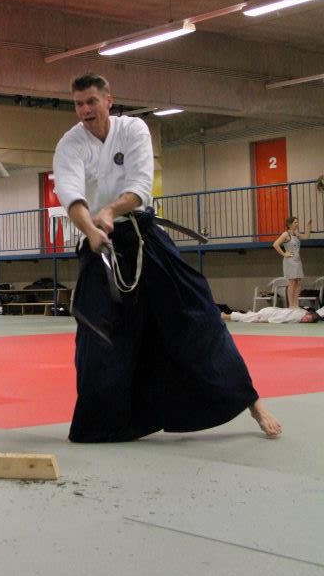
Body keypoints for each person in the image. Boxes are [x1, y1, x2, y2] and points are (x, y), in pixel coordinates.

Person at [52, 72, 282, 442]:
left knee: (197, 314)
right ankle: (105, 423)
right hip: (99, 242)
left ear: (108, 100)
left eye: (91, 101)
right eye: (78, 104)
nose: (85, 110)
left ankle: (250, 401)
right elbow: (71, 195)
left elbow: (140, 187)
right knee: (97, 332)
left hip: (143, 236)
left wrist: (110, 211)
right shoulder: (70, 143)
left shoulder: (133, 130)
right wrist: (91, 230)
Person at [273, 215, 312, 309]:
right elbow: (275, 244)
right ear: (289, 224)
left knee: (298, 282)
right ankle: (291, 305)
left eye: (297, 222)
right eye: (295, 222)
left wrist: (308, 226)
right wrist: (284, 254)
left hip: (297, 260)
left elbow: (306, 236)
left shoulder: (296, 234)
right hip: (290, 260)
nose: (297, 224)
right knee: (292, 282)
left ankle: (296, 303)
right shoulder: (286, 234)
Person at [222, 306, 324, 323]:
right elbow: (282, 318)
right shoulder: (297, 317)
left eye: (308, 321)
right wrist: (264, 321)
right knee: (247, 319)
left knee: (250, 316)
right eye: (307, 318)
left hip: (270, 310)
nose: (306, 320)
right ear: (307, 314)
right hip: (269, 314)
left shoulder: (301, 311)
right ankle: (224, 316)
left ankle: (226, 315)